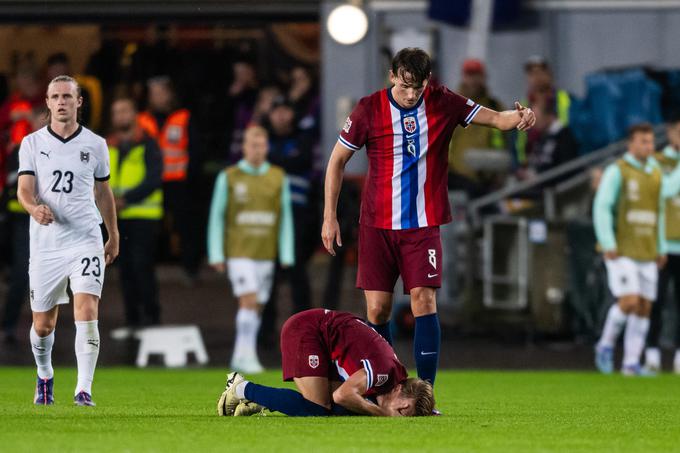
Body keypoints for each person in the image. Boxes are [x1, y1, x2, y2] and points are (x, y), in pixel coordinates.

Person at [322, 47, 535, 387]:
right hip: (376, 224)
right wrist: (329, 217)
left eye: (417, 88)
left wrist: (520, 117)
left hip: (423, 224)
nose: (410, 95)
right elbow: (336, 161)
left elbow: (495, 118)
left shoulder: (443, 102)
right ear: (392, 76)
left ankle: (425, 390)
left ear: (427, 83)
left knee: (423, 298)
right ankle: (388, 388)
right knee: (377, 310)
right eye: (404, 86)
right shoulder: (367, 109)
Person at [17, 75, 119, 405]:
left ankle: (83, 389)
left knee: (87, 308)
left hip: (85, 238)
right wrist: (34, 208)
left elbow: (103, 192)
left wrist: (112, 233)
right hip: (47, 243)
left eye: (67, 96)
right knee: (43, 326)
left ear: (79, 102)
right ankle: (45, 374)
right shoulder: (32, 144)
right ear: (47, 103)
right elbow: (24, 190)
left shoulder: (95, 144)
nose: (61, 101)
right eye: (55, 96)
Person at [216, 308, 435, 417]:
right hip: (308, 329)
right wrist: (383, 414)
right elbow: (342, 395)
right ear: (400, 393)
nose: (398, 416)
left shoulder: (391, 375)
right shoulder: (383, 372)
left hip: (324, 339)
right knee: (319, 407)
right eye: (401, 412)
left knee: (346, 407)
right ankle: (241, 388)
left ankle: (264, 402)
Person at [593, 123, 680, 376]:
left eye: (651, 142)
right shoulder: (617, 171)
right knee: (629, 301)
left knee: (644, 306)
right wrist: (607, 242)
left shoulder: (654, 171)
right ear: (631, 144)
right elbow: (602, 206)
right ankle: (605, 345)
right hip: (622, 249)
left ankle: (631, 362)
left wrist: (661, 246)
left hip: (648, 249)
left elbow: (662, 206)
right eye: (643, 142)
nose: (648, 147)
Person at [207, 125, 294, 373]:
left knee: (257, 305)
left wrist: (286, 252)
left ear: (267, 148)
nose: (257, 150)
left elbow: (284, 216)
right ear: (244, 147)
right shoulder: (229, 177)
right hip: (239, 252)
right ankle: (248, 356)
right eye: (252, 145)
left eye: (261, 145)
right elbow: (217, 216)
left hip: (265, 252)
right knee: (249, 299)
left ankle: (240, 354)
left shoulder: (278, 177)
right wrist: (216, 253)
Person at [259, 97, 316, 346]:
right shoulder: (262, 139)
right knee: (267, 274)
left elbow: (303, 161)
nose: (281, 116)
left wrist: (271, 164)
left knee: (296, 272)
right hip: (267, 215)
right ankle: (265, 332)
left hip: (296, 215)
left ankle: (305, 331)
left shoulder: (303, 138)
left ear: (293, 114)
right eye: (276, 111)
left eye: (285, 111)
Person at [107, 96, 163, 334]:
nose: (121, 116)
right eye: (117, 112)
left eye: (125, 110)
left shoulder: (149, 144)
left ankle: (151, 319)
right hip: (118, 217)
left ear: (134, 114)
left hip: (143, 216)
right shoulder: (106, 145)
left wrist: (124, 200)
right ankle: (132, 321)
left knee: (142, 267)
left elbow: (153, 179)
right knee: (125, 270)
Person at [137, 76, 201, 283]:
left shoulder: (183, 117)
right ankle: (148, 268)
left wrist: (191, 177)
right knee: (150, 227)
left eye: (161, 92)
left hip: (178, 182)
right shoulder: (142, 119)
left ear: (171, 93)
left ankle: (190, 269)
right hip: (151, 182)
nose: (157, 97)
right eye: (154, 93)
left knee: (185, 227)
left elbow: (195, 150)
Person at [1, 107, 47, 344]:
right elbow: (11, 180)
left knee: (53, 276)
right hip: (22, 220)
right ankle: (8, 325)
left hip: (51, 221)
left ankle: (46, 329)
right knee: (21, 274)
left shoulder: (62, 151)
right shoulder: (21, 148)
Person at [646, 118, 680, 373]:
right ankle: (651, 352)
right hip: (661, 245)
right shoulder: (657, 162)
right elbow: (663, 193)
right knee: (653, 301)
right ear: (669, 132)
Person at [447, 59, 506, 196]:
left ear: (483, 77)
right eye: (469, 75)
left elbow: (502, 143)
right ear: (463, 77)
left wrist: (498, 173)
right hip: (455, 176)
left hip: (486, 179)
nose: (473, 80)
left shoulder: (495, 107)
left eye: (476, 75)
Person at [513, 56, 571, 173]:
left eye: (540, 72)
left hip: (559, 163)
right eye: (532, 74)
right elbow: (516, 142)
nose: (536, 77)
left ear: (549, 74)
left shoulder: (565, 99)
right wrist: (520, 167)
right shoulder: (521, 107)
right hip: (531, 167)